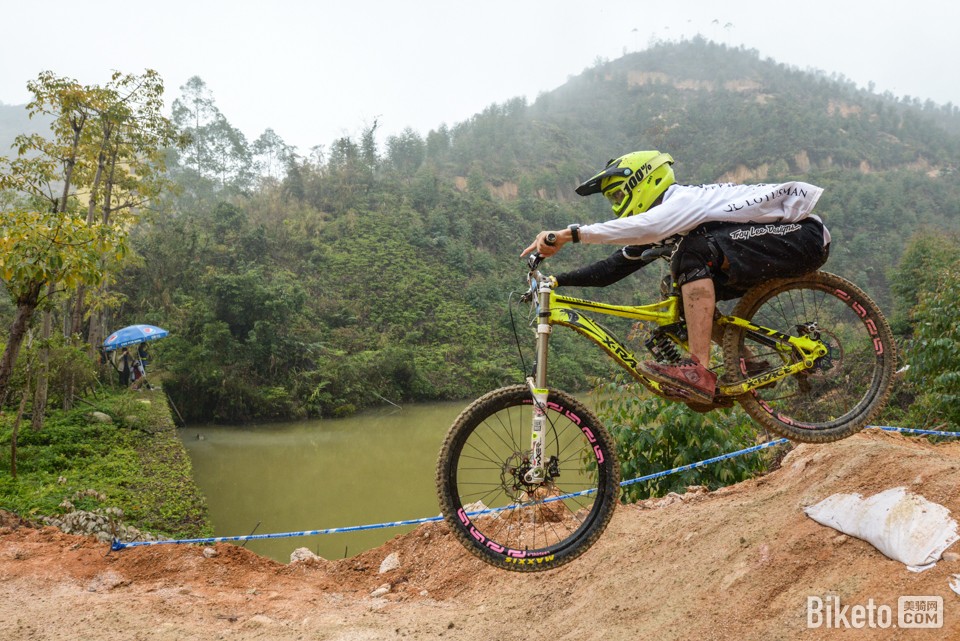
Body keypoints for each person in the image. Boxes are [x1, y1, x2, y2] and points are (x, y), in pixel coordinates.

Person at [521, 150, 830, 405]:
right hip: (769, 245)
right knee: (678, 288)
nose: (616, 206)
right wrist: (556, 281)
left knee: (691, 252)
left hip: (802, 236)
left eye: (617, 195)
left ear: (644, 179)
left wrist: (570, 234)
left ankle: (698, 368)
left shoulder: (679, 202)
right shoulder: (666, 222)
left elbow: (646, 228)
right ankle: (747, 364)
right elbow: (610, 270)